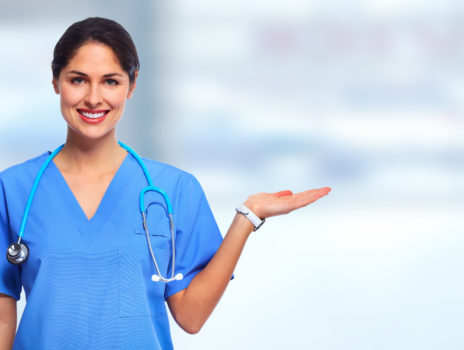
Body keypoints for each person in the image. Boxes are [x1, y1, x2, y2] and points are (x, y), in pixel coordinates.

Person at [0, 17, 330, 349]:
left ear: (132, 84)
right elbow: (2, 316)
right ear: (56, 81)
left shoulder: (174, 190)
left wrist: (248, 216)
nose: (93, 97)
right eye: (78, 80)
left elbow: (191, 316)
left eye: (110, 82)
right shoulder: (13, 190)